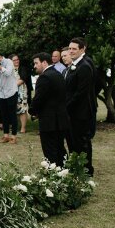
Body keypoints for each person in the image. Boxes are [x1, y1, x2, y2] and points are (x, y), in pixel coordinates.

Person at [29, 53, 69, 167]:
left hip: (49, 122)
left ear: (44, 62)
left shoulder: (45, 77)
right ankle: (64, 173)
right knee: (60, 150)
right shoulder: (58, 74)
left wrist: (32, 111)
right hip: (60, 120)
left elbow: (38, 99)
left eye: (36, 63)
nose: (35, 66)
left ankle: (54, 177)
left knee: (50, 152)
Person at [65, 38, 95, 176]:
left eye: (74, 49)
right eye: (70, 48)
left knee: (82, 143)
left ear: (82, 49)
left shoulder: (84, 66)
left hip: (81, 112)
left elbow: (81, 93)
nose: (71, 51)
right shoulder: (75, 64)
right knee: (73, 141)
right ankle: (76, 168)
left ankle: (87, 170)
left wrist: (66, 106)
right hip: (73, 111)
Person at [0, 51, 18, 143]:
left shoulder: (8, 62)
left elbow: (8, 73)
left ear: (0, 56)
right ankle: (6, 136)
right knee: (4, 115)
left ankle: (13, 137)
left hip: (11, 92)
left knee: (12, 115)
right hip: (1, 93)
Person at [11, 55, 31, 134]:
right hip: (11, 92)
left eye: (17, 59)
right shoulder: (10, 70)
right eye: (14, 60)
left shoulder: (22, 68)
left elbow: (22, 79)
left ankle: (23, 128)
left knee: (22, 109)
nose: (16, 61)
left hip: (21, 91)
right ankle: (16, 126)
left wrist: (12, 86)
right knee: (15, 109)